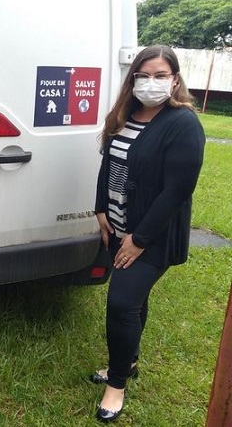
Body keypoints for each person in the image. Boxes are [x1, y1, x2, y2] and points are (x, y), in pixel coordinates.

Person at [92, 45, 205, 422]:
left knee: (121, 303)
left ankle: (117, 383)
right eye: (144, 75)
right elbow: (108, 164)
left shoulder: (183, 124)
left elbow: (177, 191)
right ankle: (130, 360)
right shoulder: (125, 114)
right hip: (117, 226)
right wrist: (101, 208)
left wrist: (139, 240)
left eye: (160, 75)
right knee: (135, 300)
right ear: (133, 78)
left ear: (175, 80)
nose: (150, 83)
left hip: (150, 237)